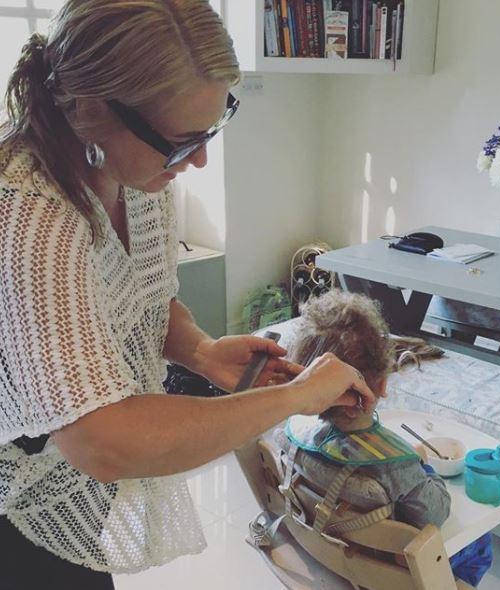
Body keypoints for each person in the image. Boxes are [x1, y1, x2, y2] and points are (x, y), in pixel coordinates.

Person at [0, 2, 376, 589]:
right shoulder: (30, 213)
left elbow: (143, 297)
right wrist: (297, 397)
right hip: (15, 490)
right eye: (181, 141)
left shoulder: (137, 175)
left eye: (211, 130)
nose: (198, 159)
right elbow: (103, 438)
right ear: (92, 110)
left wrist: (200, 350)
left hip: (69, 478)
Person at [276, 290, 493, 587]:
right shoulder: (397, 465)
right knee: (481, 544)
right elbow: (436, 512)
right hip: (385, 565)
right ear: (382, 383)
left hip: (328, 546)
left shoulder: (293, 430)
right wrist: (422, 465)